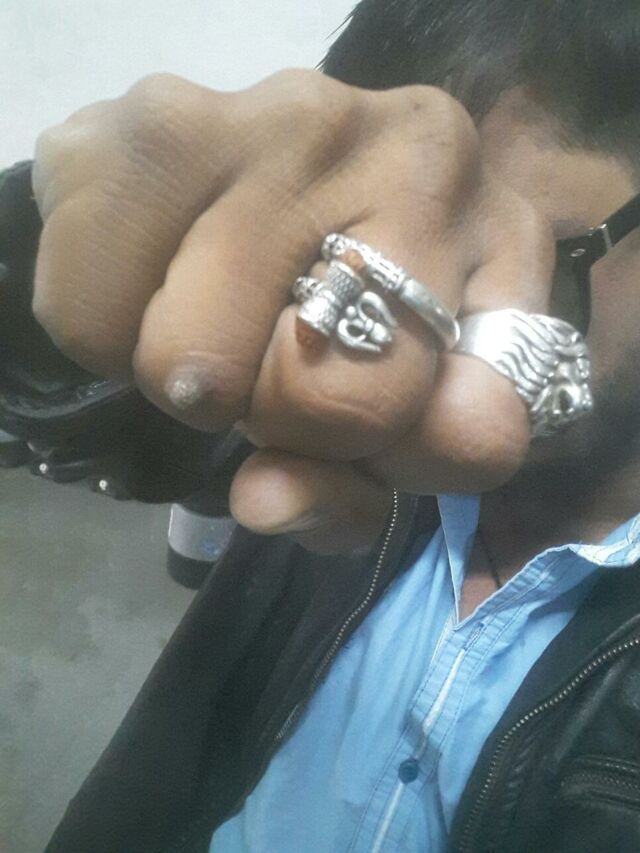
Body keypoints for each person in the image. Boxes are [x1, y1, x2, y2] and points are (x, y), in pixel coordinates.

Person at [1, 0, 640, 850]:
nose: (458, 343)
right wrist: (56, 232)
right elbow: (90, 405)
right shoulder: (358, 413)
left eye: (543, 269)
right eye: (424, 272)